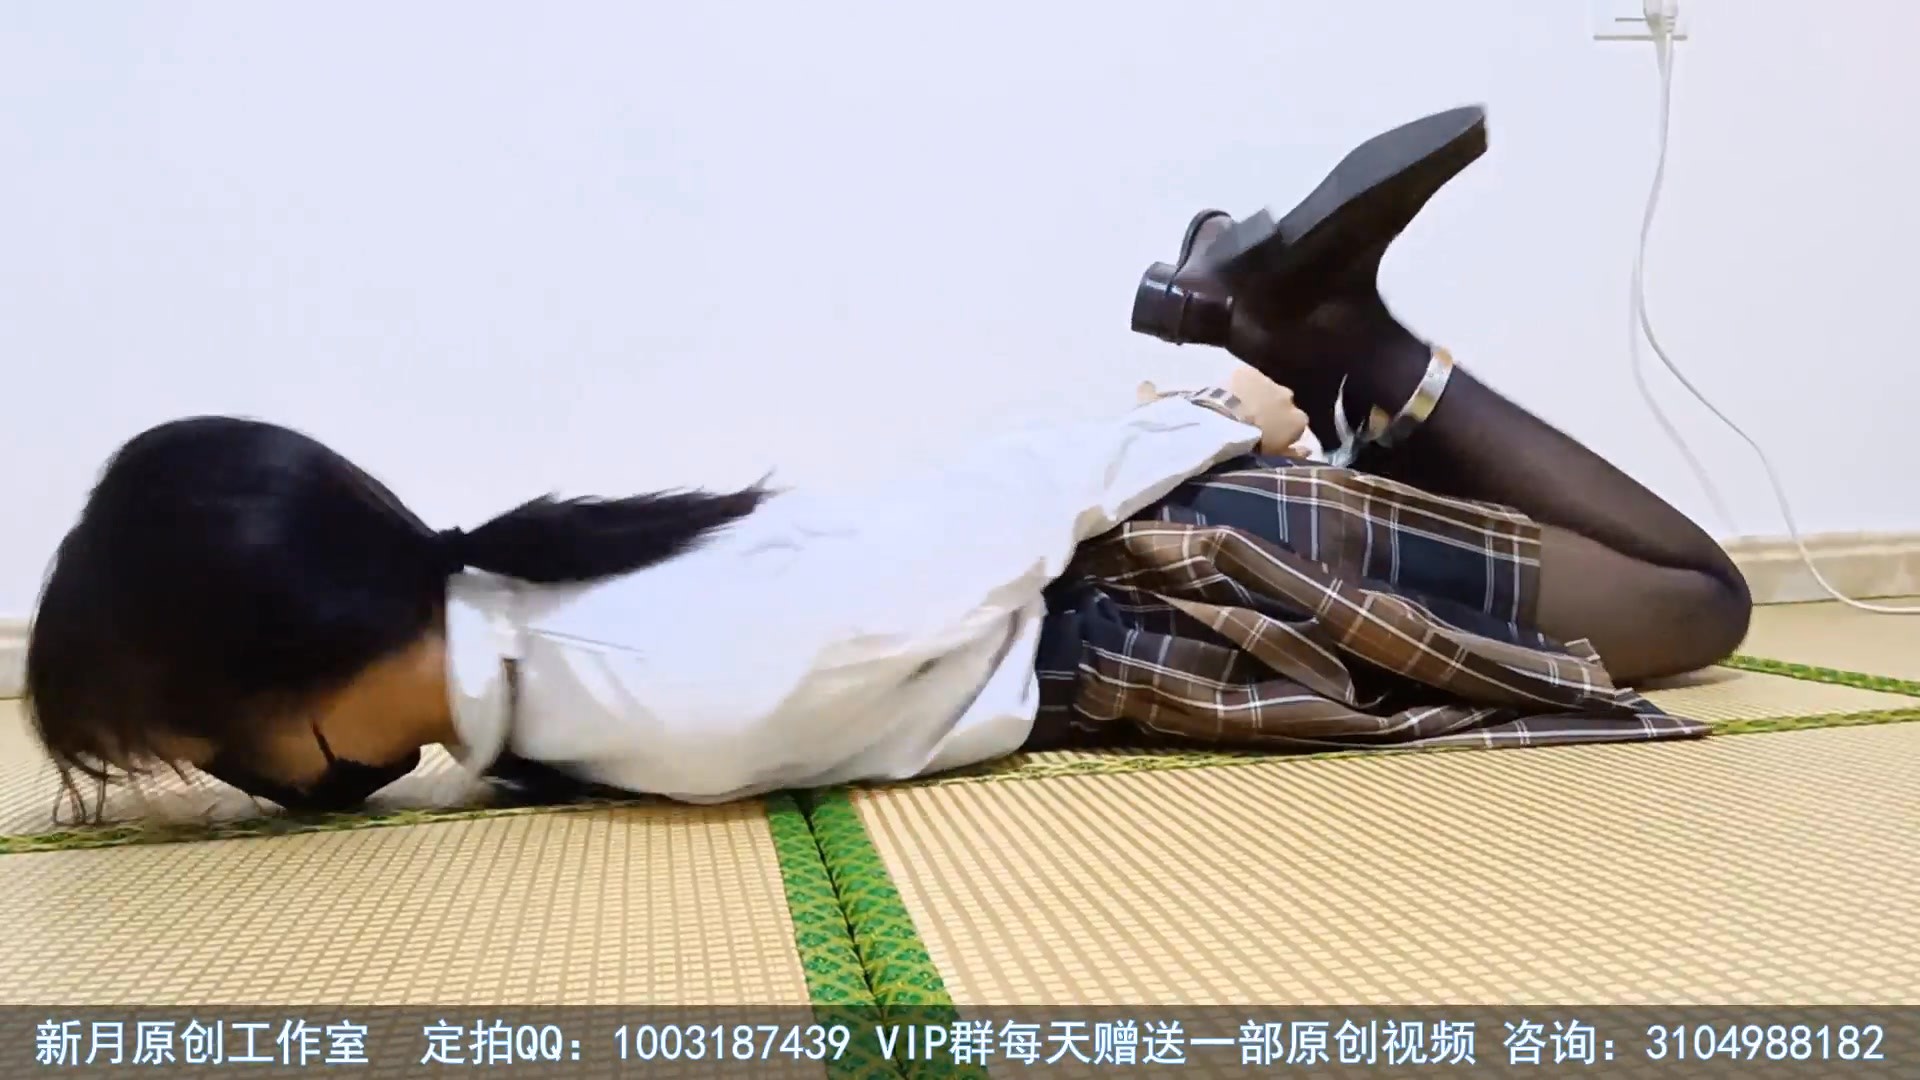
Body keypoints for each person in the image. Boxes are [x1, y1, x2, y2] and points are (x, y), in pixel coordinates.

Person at [24, 107, 1751, 816]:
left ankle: (1329, 335)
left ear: (301, 674)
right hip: (1123, 584)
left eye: (205, 747)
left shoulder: (651, 686)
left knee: (1696, 608)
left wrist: (1188, 421)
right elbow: (892, 539)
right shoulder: (517, 621)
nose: (232, 787)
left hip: (1185, 594)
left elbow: (934, 562)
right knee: (1634, 602)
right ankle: (1307, 340)